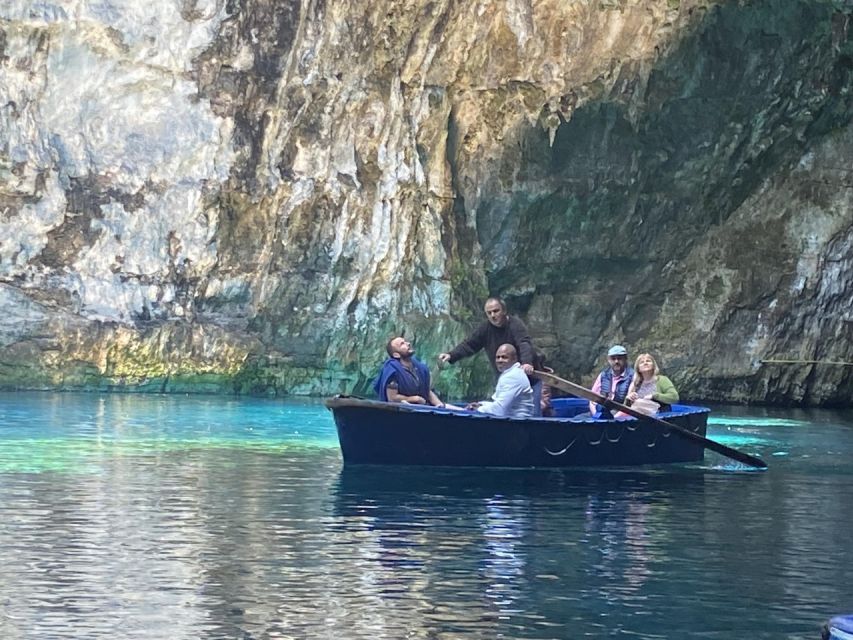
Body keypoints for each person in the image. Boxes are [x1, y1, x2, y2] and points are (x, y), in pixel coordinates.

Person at [438, 296, 549, 414]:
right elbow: (470, 344)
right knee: (505, 410)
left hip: (529, 376)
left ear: (504, 310)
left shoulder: (515, 325)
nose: (493, 315)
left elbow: (524, 343)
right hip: (505, 376)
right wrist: (451, 355)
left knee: (534, 412)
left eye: (496, 311)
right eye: (489, 313)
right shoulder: (485, 329)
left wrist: (527, 363)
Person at [374, 337, 459, 408]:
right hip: (401, 412)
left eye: (405, 341)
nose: (408, 343)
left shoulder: (420, 368)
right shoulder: (392, 370)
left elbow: (427, 391)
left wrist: (439, 405)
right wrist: (413, 399)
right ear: (396, 355)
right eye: (402, 344)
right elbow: (392, 398)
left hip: (423, 408)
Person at [466, 344, 535, 419]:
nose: (500, 360)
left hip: (518, 424)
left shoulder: (513, 376)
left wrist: (477, 409)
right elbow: (498, 404)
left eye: (504, 357)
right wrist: (481, 404)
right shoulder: (510, 373)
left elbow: (499, 410)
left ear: (514, 359)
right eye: (497, 357)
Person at [589, 344, 635, 418]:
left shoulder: (633, 376)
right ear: (608, 360)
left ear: (625, 359)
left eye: (619, 358)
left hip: (622, 415)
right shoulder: (603, 375)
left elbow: (632, 405)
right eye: (613, 358)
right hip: (601, 413)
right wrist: (596, 416)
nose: (616, 361)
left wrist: (615, 418)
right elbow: (592, 400)